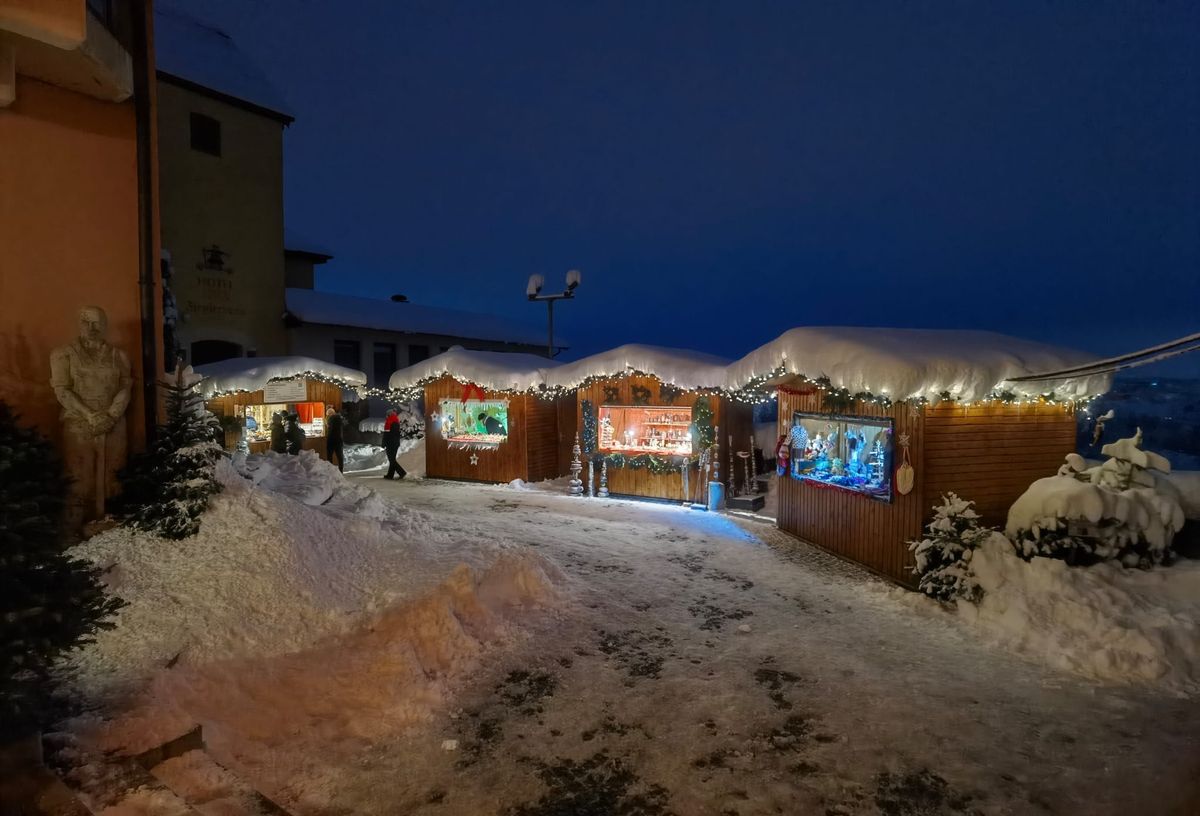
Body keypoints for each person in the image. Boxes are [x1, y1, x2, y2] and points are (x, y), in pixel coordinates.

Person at [49, 305, 133, 530]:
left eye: (97, 322)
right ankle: (74, 526)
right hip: (78, 421)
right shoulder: (63, 354)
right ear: (79, 324)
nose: (91, 327)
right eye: (86, 321)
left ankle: (109, 518)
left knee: (113, 472)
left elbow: (126, 386)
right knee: (78, 473)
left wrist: (111, 415)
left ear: (104, 325)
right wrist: (90, 415)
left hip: (113, 422)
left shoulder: (118, 356)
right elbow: (62, 390)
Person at [383, 408, 407, 480]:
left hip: (391, 443)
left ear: (389, 415)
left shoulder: (390, 422)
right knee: (392, 459)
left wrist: (384, 443)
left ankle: (402, 472)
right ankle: (390, 475)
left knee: (392, 459)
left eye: (387, 415)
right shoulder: (395, 421)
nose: (386, 416)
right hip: (394, 443)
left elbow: (387, 434)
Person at [325, 405, 345, 472]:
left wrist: (327, 425)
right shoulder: (339, 418)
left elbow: (330, 430)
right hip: (339, 440)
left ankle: (330, 471)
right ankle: (341, 470)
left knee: (329, 456)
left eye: (328, 415)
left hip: (332, 440)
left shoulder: (331, 419)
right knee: (340, 456)